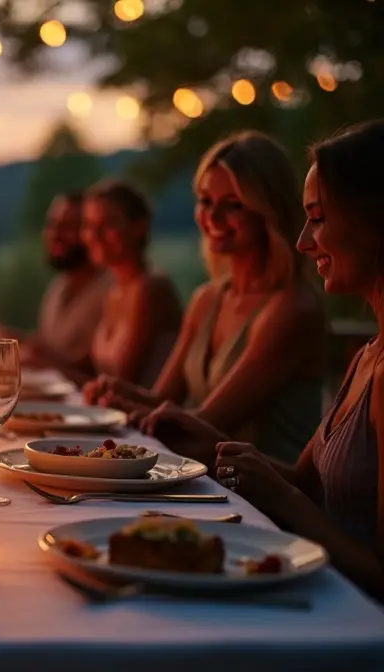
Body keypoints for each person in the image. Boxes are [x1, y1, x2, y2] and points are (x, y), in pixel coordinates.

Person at [142, 120, 384, 600]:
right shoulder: (366, 357)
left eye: (318, 218)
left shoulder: (296, 312)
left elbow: (297, 500)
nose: (303, 242)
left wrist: (279, 496)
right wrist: (218, 446)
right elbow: (301, 482)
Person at [84, 131, 326, 462]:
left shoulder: (292, 307)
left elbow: (208, 424)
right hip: (211, 483)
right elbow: (163, 400)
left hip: (265, 501)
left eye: (233, 205)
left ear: (268, 211)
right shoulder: (207, 299)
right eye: (206, 201)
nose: (212, 217)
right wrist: (116, 393)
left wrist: (124, 408)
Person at [81, 179, 181, 388]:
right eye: (89, 225)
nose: (95, 236)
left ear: (139, 227)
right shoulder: (114, 291)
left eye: (107, 224)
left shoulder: (150, 288)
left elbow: (121, 380)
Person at [25, 191, 111, 375]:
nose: (55, 234)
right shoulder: (57, 289)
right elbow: (46, 349)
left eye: (69, 226)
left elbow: (93, 372)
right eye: (52, 224)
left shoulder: (110, 290)